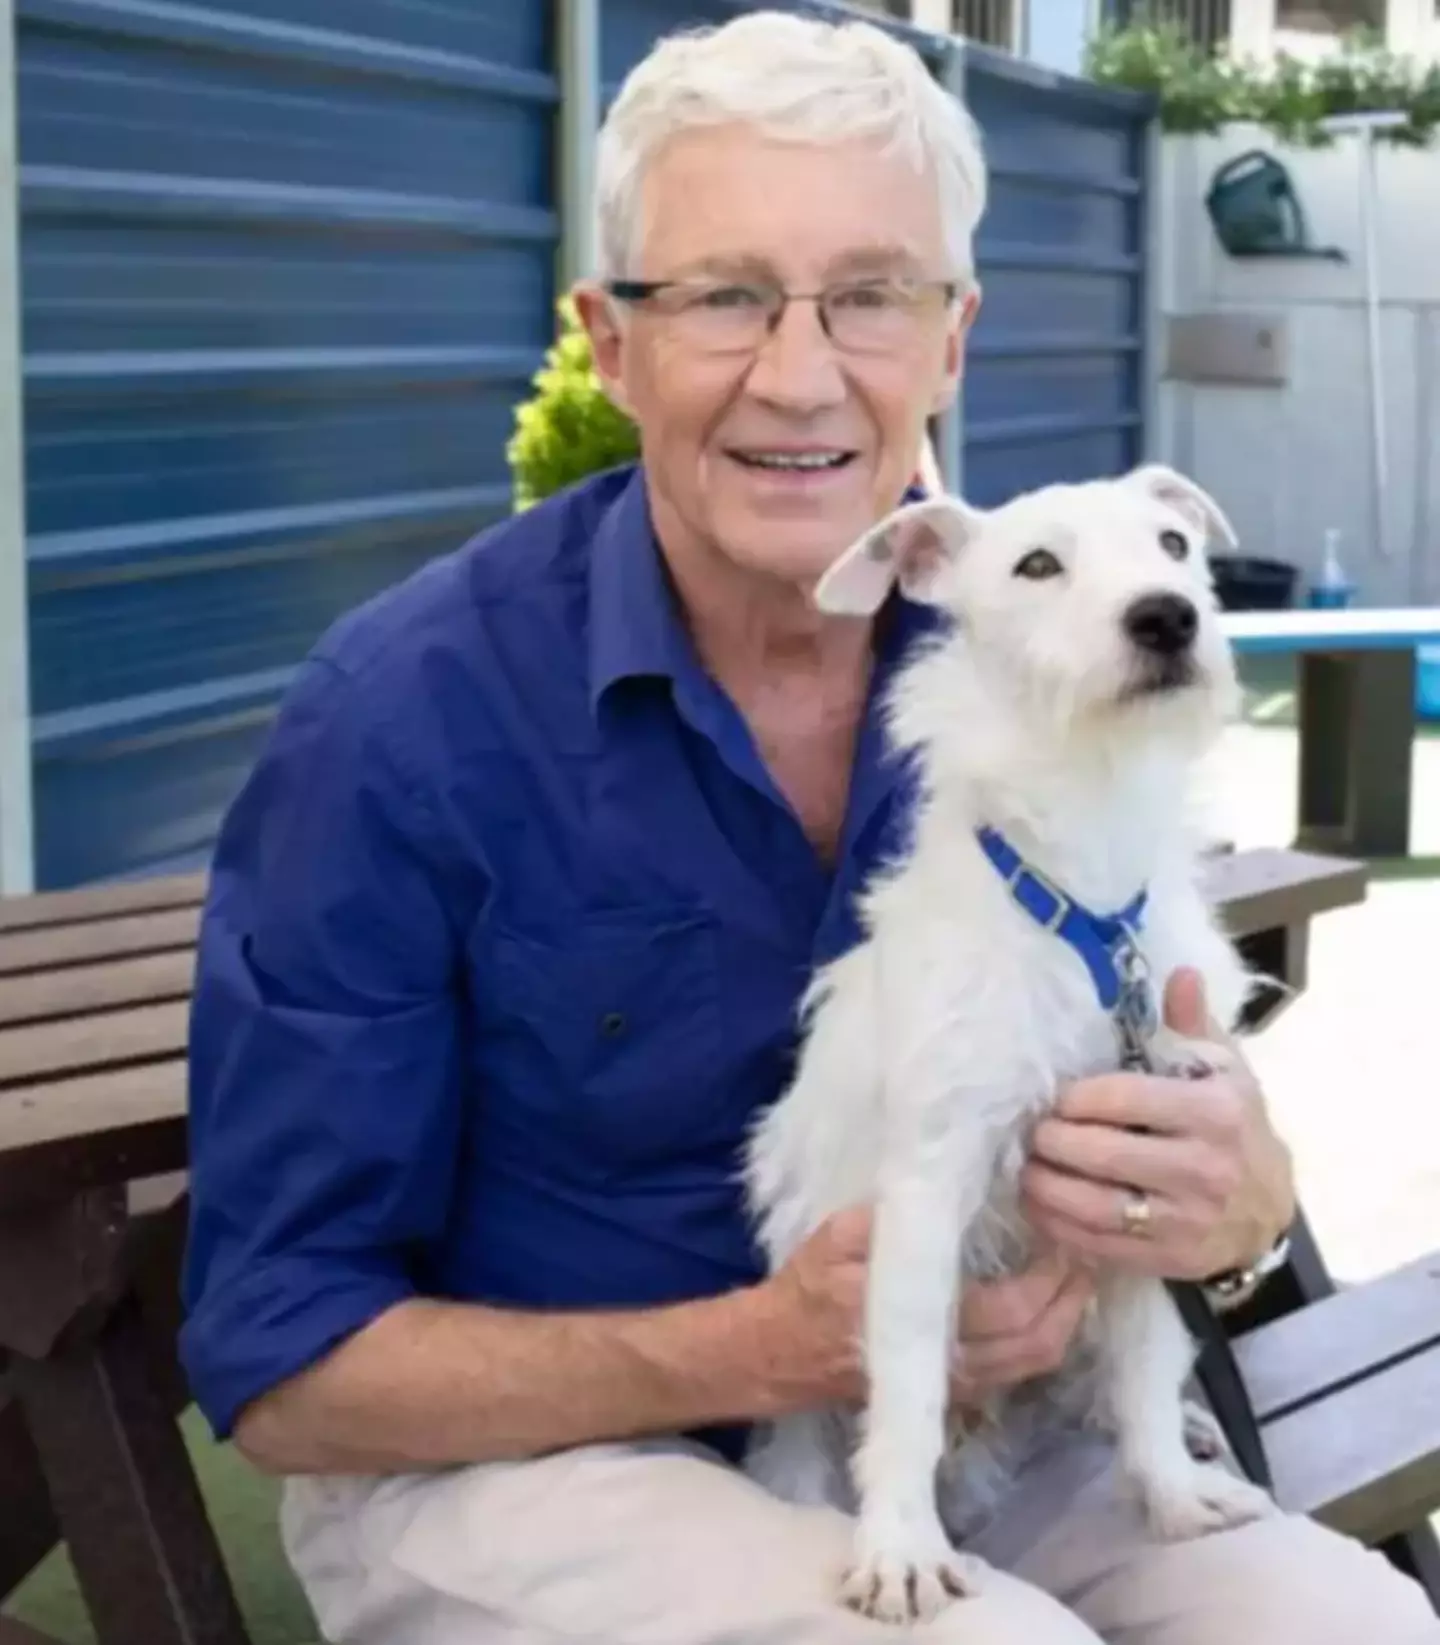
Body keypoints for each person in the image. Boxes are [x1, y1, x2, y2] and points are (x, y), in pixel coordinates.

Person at [178, 11, 1439, 1644]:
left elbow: (1182, 1094)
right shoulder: (404, 720)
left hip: (984, 1423)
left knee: (1357, 1631)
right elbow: (281, 1361)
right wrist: (757, 1347)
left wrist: (1244, 1197)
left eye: (871, 293)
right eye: (720, 296)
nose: (799, 371)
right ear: (610, 343)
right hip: (522, 1462)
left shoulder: (1022, 648)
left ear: (952, 337)